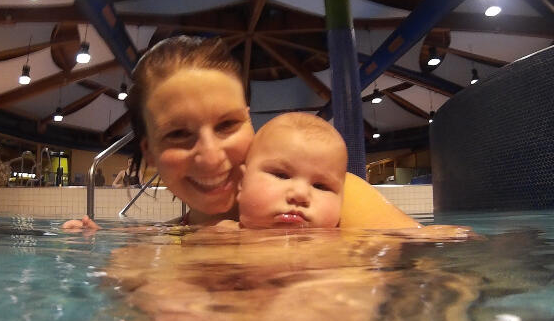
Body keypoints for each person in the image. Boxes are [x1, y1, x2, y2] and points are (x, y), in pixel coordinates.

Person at [63, 35, 418, 230]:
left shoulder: (328, 195)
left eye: (227, 125)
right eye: (177, 134)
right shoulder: (175, 236)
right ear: (150, 152)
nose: (211, 155)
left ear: (250, 121)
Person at [218, 112, 347, 229]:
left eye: (320, 186)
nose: (300, 194)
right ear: (242, 182)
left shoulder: (343, 242)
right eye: (281, 175)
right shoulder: (221, 236)